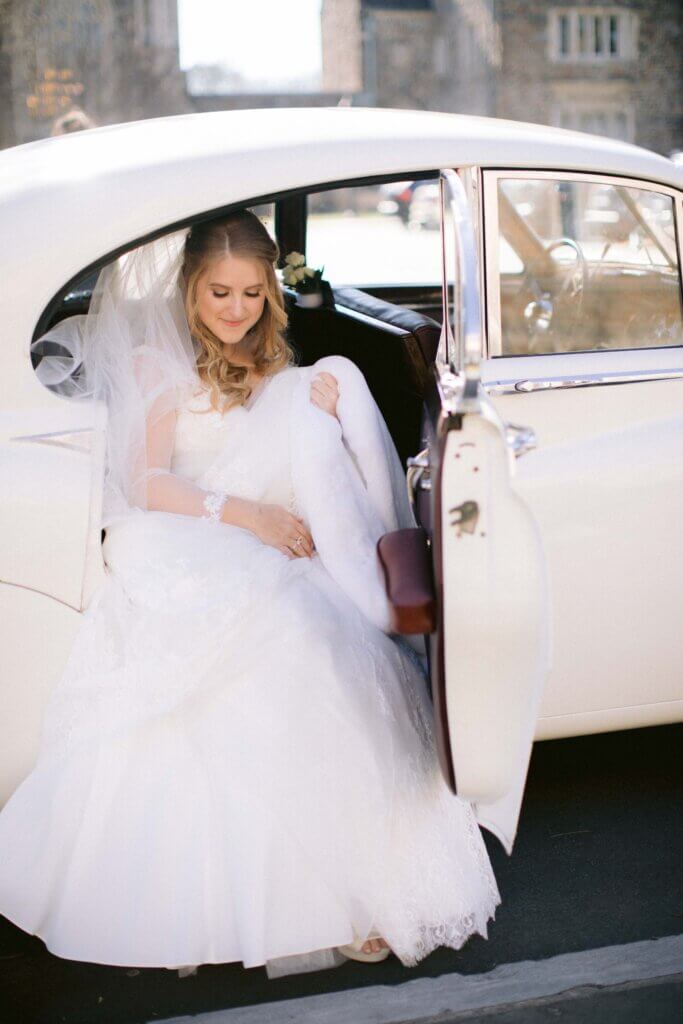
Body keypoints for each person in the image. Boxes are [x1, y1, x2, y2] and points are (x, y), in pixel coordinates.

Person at [0, 210, 500, 979]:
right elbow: (146, 480)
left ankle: (358, 883)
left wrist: (319, 410)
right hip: (182, 529)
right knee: (281, 636)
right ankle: (299, 900)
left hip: (261, 530)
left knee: (322, 634)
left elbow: (280, 443)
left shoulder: (270, 358)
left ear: (270, 290)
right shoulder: (155, 363)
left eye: (249, 294)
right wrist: (247, 517)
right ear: (189, 291)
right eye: (217, 295)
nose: (234, 311)